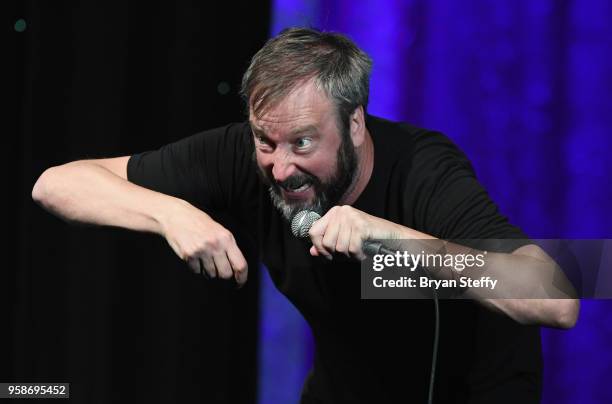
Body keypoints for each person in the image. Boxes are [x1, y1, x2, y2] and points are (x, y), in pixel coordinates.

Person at [33, 28, 579, 403]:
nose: (280, 167)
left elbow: (556, 298)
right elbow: (56, 184)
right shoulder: (247, 157)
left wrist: (387, 240)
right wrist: (170, 214)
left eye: (303, 142)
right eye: (266, 141)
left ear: (356, 126)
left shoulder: (422, 167)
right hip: (348, 387)